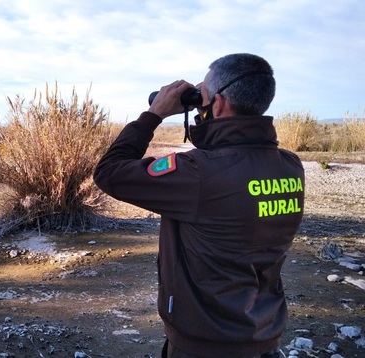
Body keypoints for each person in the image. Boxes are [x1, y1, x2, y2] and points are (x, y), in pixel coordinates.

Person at [93, 53, 305, 358]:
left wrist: (153, 114)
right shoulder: (290, 167)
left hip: (204, 344)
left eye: (201, 96)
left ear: (217, 104)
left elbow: (109, 172)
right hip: (263, 336)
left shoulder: (198, 172)